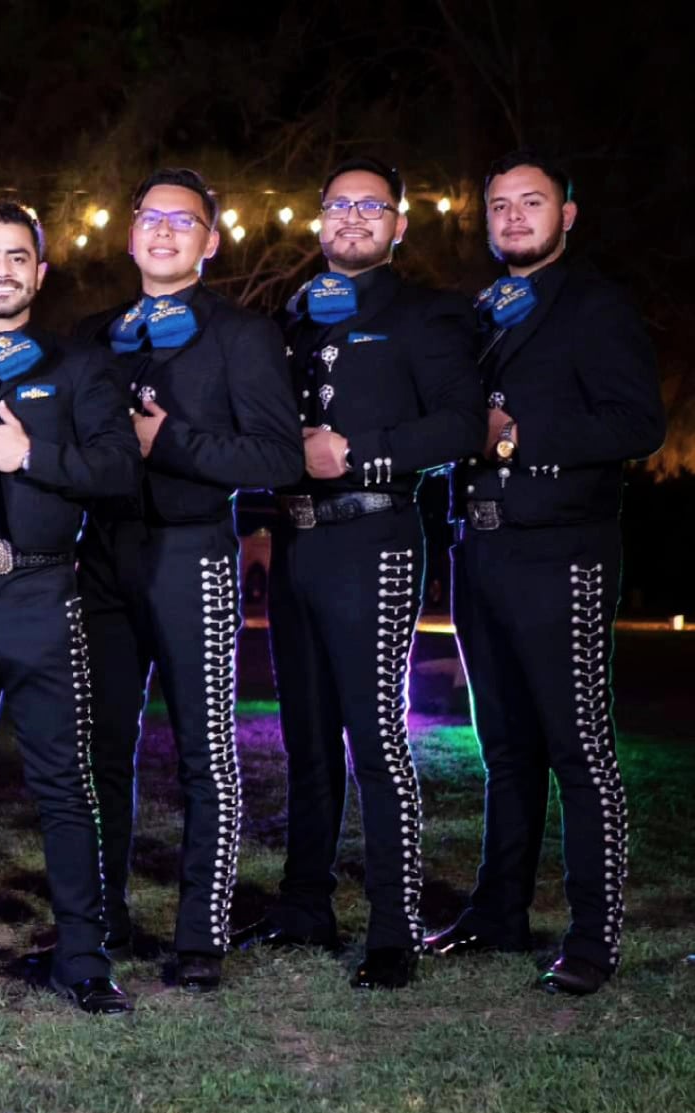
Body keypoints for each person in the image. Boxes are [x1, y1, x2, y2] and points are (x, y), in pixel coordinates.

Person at [231, 158, 483, 991]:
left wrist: (361, 454)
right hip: (295, 541)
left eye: (370, 206)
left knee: (375, 737)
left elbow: (462, 426)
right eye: (337, 205)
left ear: (399, 225)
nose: (351, 218)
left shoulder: (427, 314)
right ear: (319, 220)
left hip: (373, 535)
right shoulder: (296, 315)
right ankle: (305, 906)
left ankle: (393, 928)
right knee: (305, 739)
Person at [426, 150, 665, 996]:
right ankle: (499, 913)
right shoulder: (482, 310)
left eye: (532, 202)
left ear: (567, 214)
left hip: (561, 549)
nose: (514, 217)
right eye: (500, 205)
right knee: (505, 747)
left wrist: (520, 435)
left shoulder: (595, 305)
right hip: (480, 547)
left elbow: (638, 423)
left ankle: (594, 938)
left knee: (578, 747)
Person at [75, 168, 302, 992]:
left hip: (192, 552)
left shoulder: (240, 335)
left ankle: (200, 936)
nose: (164, 231)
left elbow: (279, 456)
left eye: (184, 220)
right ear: (130, 232)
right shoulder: (94, 336)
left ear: (210, 240)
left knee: (206, 752)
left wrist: (167, 442)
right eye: (151, 217)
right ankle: (99, 919)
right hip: (102, 556)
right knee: (100, 748)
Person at [0, 201, 141, 1013]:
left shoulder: (81, 366)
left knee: (63, 783)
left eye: (18, 257)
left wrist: (31, 455)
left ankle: (84, 957)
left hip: (43, 592)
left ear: (39, 274)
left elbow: (119, 470)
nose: (2, 270)